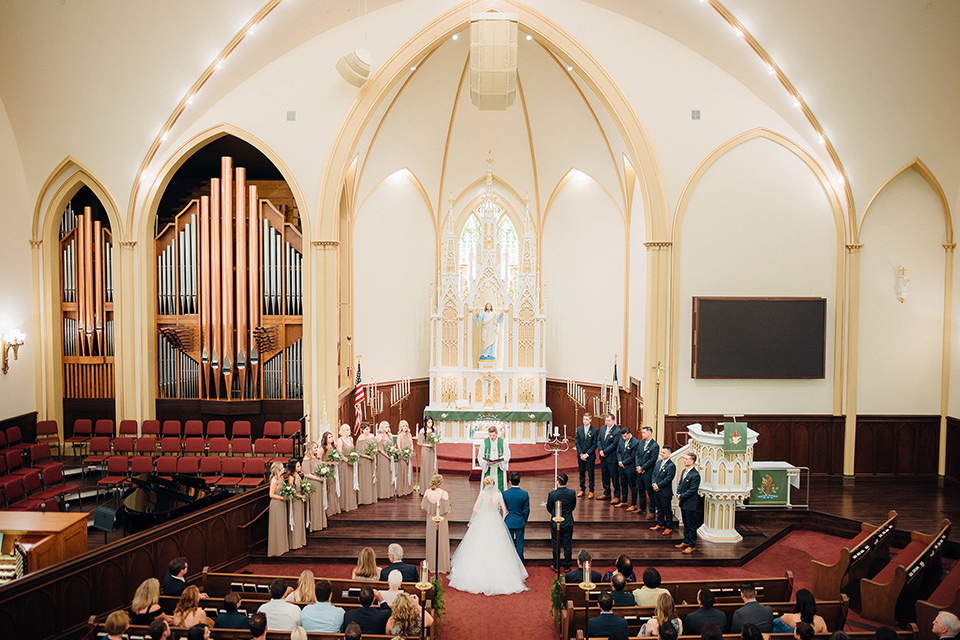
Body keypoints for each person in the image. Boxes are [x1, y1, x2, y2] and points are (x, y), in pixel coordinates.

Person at [448, 475, 529, 595]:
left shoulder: (482, 494)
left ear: (485, 485)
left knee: (480, 545)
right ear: (494, 484)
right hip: (495, 520)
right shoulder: (499, 495)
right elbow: (505, 511)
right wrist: (501, 520)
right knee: (497, 546)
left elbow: (475, 509)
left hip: (483, 520)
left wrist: (482, 514)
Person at [421, 474, 451, 573]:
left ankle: (432, 565)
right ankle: (442, 566)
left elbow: (424, 506)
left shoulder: (427, 492)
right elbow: (446, 510)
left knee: (431, 541)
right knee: (441, 542)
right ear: (441, 483)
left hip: (430, 520)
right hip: (441, 521)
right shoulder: (444, 493)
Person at [547, 472, 577, 572]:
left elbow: (549, 507)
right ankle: (567, 566)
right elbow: (573, 506)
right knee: (567, 545)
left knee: (556, 544)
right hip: (568, 521)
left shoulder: (552, 494)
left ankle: (556, 565)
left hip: (556, 521)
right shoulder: (572, 493)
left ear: (558, 482)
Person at [676, 450, 701, 552]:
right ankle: (685, 540)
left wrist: (682, 496)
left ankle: (692, 545)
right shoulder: (684, 471)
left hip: (690, 503)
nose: (684, 461)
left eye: (686, 459)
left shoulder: (695, 475)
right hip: (683, 502)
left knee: (691, 525)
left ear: (692, 461)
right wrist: (678, 493)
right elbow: (680, 484)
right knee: (685, 523)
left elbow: (692, 490)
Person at [502, 470, 530, 562]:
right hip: (519, 521)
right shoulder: (524, 494)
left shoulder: (505, 494)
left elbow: (504, 509)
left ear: (509, 481)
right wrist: (524, 519)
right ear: (519, 481)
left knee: (509, 544)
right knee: (519, 543)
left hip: (509, 521)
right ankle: (520, 563)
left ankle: (509, 562)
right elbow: (527, 510)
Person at [302, 440, 328, 531]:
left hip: (319, 483)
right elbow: (307, 474)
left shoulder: (316, 457)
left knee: (319, 503)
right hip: (312, 483)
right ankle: (315, 525)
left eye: (317, 447)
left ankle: (321, 523)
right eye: (315, 448)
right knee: (314, 504)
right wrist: (318, 478)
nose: (317, 449)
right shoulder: (306, 459)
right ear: (310, 449)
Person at [268, 461, 291, 557]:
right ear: (277, 469)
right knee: (277, 525)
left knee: (282, 525)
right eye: (282, 468)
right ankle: (276, 549)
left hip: (281, 504)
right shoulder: (274, 480)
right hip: (276, 504)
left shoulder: (281, 478)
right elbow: (271, 494)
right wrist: (283, 498)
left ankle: (283, 547)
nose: (284, 469)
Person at [651, 445, 676, 535]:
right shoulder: (658, 463)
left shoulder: (671, 465)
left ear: (669, 454)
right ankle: (660, 523)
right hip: (656, 490)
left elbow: (669, 479)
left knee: (667, 510)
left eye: (664, 453)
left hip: (665, 492)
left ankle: (668, 527)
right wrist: (654, 484)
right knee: (659, 508)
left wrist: (658, 486)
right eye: (661, 452)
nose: (661, 454)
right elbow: (653, 474)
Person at [596, 413, 621, 502]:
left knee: (614, 477)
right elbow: (599, 440)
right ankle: (606, 493)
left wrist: (605, 452)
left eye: (609, 420)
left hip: (612, 458)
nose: (607, 422)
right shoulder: (603, 428)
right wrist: (601, 450)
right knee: (604, 476)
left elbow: (615, 444)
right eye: (606, 420)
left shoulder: (617, 431)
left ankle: (617, 496)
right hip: (603, 457)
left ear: (613, 421)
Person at [478, 424, 511, 491]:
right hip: (488, 468)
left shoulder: (503, 442)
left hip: (499, 467)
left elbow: (507, 455)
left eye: (493, 435)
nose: (492, 437)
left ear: (497, 434)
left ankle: (500, 500)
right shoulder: (484, 443)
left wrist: (499, 461)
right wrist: (486, 463)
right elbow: (480, 456)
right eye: (490, 435)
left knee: (499, 487)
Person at [637, 426, 660, 519]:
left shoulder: (655, 445)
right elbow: (637, 455)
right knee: (641, 490)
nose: (642, 434)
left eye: (644, 433)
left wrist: (643, 468)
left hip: (648, 471)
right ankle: (642, 508)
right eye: (642, 433)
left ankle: (651, 511)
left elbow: (652, 460)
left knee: (650, 492)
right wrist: (638, 466)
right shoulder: (641, 442)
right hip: (639, 470)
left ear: (649, 433)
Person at [615, 426, 640, 510]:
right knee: (623, 484)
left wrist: (624, 463)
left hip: (630, 468)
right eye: (622, 436)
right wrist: (619, 461)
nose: (624, 438)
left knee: (632, 486)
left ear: (629, 434)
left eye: (625, 436)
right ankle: (624, 501)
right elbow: (618, 451)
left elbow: (633, 456)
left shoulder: (635, 442)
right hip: (621, 467)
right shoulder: (621, 440)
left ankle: (633, 504)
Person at [336, 424, 358, 511]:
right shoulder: (340, 440)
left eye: (349, 430)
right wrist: (347, 461)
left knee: (351, 482)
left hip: (351, 461)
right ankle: (344, 505)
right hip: (344, 463)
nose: (349, 431)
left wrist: (353, 458)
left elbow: (353, 450)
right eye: (347, 430)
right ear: (343, 431)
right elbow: (340, 453)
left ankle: (352, 503)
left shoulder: (351, 439)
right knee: (345, 482)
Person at [575, 412, 598, 498]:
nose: (585, 421)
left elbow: (594, 444)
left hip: (590, 456)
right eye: (584, 419)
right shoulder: (579, 429)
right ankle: (582, 489)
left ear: (590, 420)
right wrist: (581, 454)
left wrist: (587, 454)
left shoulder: (594, 430)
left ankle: (591, 490)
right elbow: (577, 443)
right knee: (581, 473)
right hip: (581, 455)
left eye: (587, 419)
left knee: (591, 473)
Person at [287, 459, 307, 550]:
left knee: (300, 520)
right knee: (296, 520)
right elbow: (291, 492)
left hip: (300, 500)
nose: (300, 467)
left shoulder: (299, 475)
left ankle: (300, 540)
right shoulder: (291, 478)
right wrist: (300, 496)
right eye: (298, 466)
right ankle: (295, 542)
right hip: (295, 500)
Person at [355, 423, 377, 505]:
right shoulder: (360, 438)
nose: (368, 430)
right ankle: (364, 498)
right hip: (364, 460)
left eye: (369, 429)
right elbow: (359, 452)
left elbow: (375, 447)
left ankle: (372, 497)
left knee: (372, 477)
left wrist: (373, 453)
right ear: (362, 430)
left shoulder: (372, 436)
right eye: (366, 429)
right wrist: (368, 456)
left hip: (371, 459)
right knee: (365, 478)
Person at [417, 417, 437, 495]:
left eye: (431, 422)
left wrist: (434, 443)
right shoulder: (422, 431)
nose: (430, 424)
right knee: (425, 468)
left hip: (432, 451)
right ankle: (424, 488)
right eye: (428, 422)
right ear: (425, 423)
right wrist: (429, 445)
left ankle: (432, 487)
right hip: (425, 450)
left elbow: (436, 439)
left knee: (431, 467)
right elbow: (420, 443)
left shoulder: (434, 429)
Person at [376, 421, 394, 500]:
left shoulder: (390, 436)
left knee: (389, 473)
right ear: (382, 428)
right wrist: (387, 456)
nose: (387, 428)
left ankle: (389, 492)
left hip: (389, 457)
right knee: (383, 474)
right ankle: (382, 493)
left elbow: (392, 446)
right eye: (385, 427)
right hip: (383, 457)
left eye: (388, 427)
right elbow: (380, 449)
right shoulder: (379, 436)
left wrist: (392, 453)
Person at [396, 420, 415, 496]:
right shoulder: (400, 435)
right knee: (402, 472)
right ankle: (401, 490)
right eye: (403, 426)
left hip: (408, 455)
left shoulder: (409, 435)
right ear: (401, 427)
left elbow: (411, 444)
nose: (405, 427)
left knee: (408, 471)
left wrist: (410, 451)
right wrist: (402, 454)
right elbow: (398, 446)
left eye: (406, 426)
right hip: (402, 455)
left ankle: (408, 489)